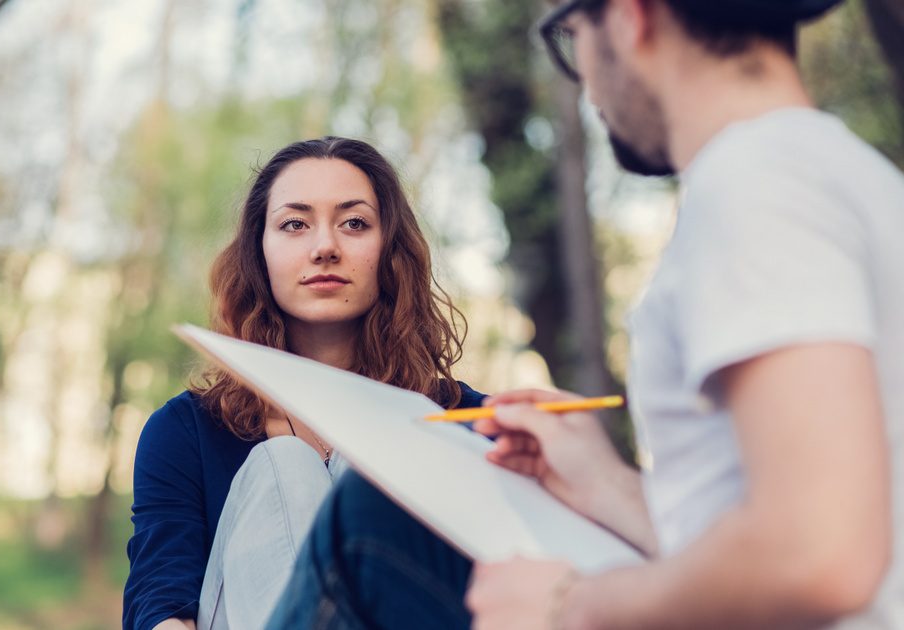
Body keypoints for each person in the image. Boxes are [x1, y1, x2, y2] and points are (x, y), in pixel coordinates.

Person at [267, 0, 904, 628]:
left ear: (631, 16)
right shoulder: (850, 175)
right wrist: (609, 487)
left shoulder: (758, 186)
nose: (587, 83)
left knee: (370, 522)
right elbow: (789, 525)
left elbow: (823, 553)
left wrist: (569, 604)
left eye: (571, 36)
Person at [122, 136, 488, 630]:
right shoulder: (184, 431)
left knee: (367, 471)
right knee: (286, 463)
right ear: (260, 251)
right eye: (294, 224)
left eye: (354, 223)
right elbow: (159, 603)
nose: (324, 248)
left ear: (390, 248)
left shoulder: (465, 423)